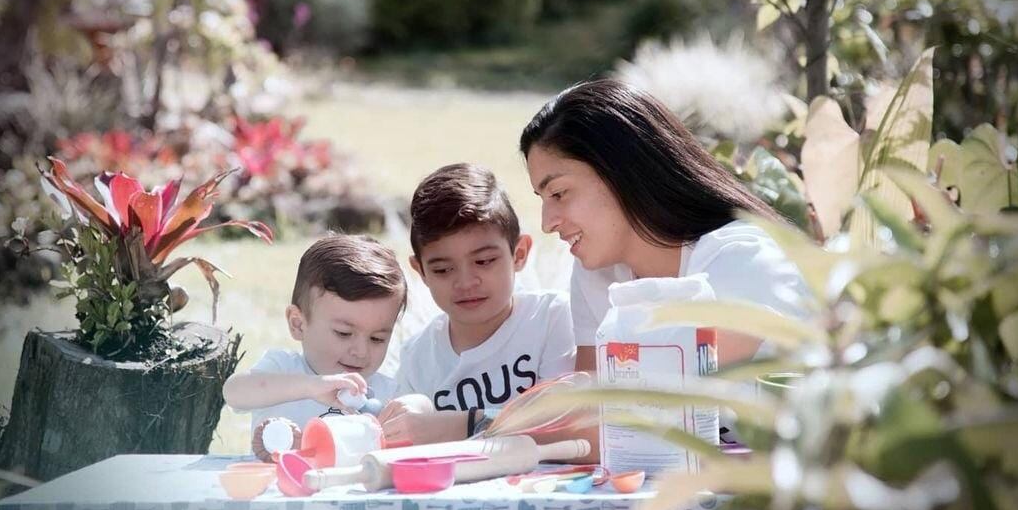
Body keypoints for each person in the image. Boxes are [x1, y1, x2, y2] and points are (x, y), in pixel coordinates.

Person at [521, 79, 809, 373]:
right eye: (543, 198)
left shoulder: (743, 263)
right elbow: (590, 392)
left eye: (559, 193)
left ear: (622, 171)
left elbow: (690, 392)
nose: (547, 223)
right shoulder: (597, 273)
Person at [380, 163, 576, 446]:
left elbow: (563, 424)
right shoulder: (418, 358)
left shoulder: (552, 319)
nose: (465, 282)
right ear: (420, 271)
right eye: (443, 270)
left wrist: (462, 425)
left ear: (519, 254)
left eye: (484, 261)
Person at [223, 234, 406, 435]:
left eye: (377, 338)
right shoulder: (282, 369)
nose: (361, 352)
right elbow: (233, 392)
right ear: (298, 324)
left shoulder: (386, 395)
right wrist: (311, 386)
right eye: (344, 333)